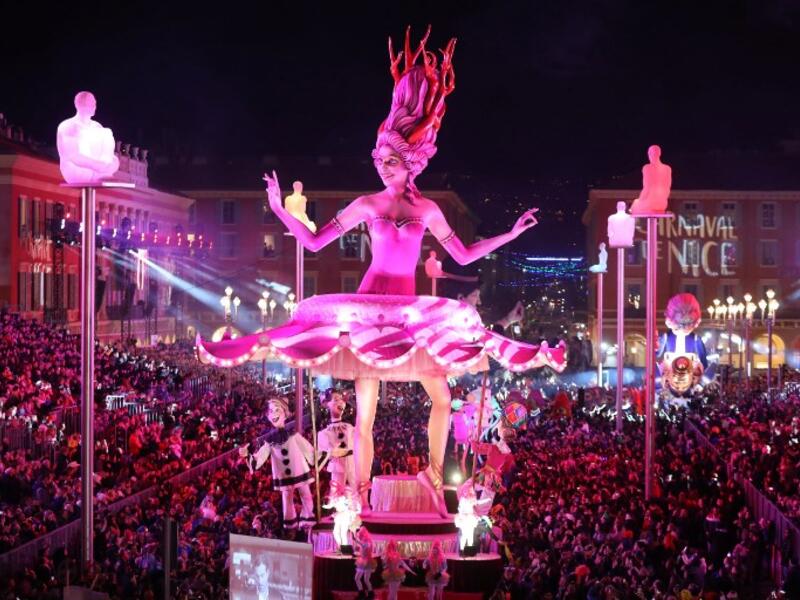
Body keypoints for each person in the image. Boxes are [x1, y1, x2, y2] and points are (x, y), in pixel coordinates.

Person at [197, 27, 565, 518]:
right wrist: (276, 208)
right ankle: (362, 491)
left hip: (411, 314)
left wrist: (511, 236)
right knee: (364, 415)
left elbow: (464, 255)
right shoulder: (367, 203)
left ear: (409, 162)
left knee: (442, 394)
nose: (380, 165)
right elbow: (312, 241)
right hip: (370, 311)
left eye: (388, 159)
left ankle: (435, 479)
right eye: (378, 158)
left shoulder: (430, 209)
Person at [249, 397, 316, 529]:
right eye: (271, 411)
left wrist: (316, 457)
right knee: (287, 496)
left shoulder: (294, 435)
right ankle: (290, 520)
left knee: (305, 493)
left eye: (277, 410)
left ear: (285, 413)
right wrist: (249, 457)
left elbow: (307, 449)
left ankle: (308, 516)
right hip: (283, 474)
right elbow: (260, 457)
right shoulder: (270, 441)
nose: (273, 413)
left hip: (299, 469)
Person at [56, 91, 120, 184]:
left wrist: (112, 163)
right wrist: (99, 166)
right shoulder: (69, 125)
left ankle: (103, 173)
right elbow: (74, 156)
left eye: (94, 103)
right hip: (76, 172)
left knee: (107, 132)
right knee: (84, 134)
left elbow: (107, 153)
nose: (94, 106)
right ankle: (101, 173)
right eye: (90, 103)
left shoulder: (97, 126)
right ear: (78, 104)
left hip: (100, 170)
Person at [317, 389, 355, 497]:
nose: (340, 402)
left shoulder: (349, 427)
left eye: (341, 400)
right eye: (336, 399)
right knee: (338, 496)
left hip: (353, 468)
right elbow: (324, 455)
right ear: (326, 404)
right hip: (338, 468)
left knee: (355, 495)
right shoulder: (324, 433)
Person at [630, 144, 672, 214]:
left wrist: (640, 200)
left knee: (635, 204)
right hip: (663, 203)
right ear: (659, 154)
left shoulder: (647, 168)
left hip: (650, 202)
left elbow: (646, 187)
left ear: (649, 154)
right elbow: (668, 188)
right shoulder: (667, 168)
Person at [354, 527, 377, 597]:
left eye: (361, 534)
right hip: (363, 561)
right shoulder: (365, 541)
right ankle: (363, 593)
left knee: (365, 579)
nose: (360, 535)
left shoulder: (368, 542)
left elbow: (365, 546)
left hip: (367, 562)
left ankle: (369, 594)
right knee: (359, 579)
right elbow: (363, 549)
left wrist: (356, 540)